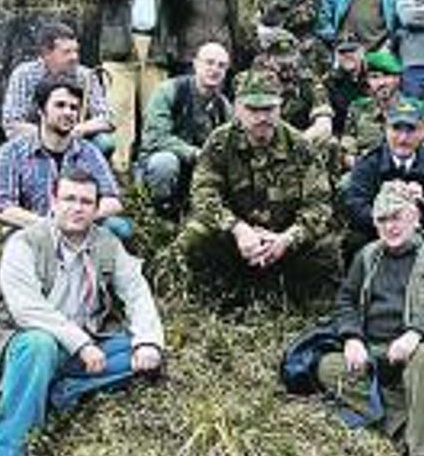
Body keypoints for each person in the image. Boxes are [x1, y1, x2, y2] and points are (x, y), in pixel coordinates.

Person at [0, 168, 164, 456]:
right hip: (26, 343)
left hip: (86, 345)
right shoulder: (25, 243)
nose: (77, 208)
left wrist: (149, 342)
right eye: (69, 199)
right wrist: (80, 342)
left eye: (85, 202)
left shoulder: (107, 244)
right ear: (53, 201)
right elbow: (26, 309)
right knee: (40, 345)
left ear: (96, 209)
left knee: (144, 355)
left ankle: (57, 393)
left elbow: (136, 292)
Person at [317, 181, 424, 456]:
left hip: (423, 345)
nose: (390, 226)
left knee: (423, 358)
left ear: (415, 217)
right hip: (376, 347)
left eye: (397, 217)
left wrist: (415, 333)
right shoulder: (368, 255)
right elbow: (346, 299)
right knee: (328, 367)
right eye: (382, 220)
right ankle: (406, 427)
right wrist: (352, 337)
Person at [178, 70, 335, 306]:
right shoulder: (220, 142)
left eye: (269, 109)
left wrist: (288, 238)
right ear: (237, 108)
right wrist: (238, 229)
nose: (262, 117)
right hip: (236, 239)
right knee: (195, 236)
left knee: (327, 245)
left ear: (280, 107)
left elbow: (319, 204)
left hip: (284, 237)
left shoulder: (300, 146)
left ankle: (299, 300)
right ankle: (218, 299)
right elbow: (203, 195)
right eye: (253, 109)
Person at [93, 0, 187, 173]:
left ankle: (152, 172)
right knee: (118, 113)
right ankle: (118, 173)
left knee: (155, 113)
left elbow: (184, 2)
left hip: (155, 46)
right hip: (120, 46)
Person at [0, 75, 125, 233]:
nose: (68, 112)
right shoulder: (12, 152)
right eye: (60, 105)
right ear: (41, 110)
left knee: (119, 228)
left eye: (74, 108)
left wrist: (78, 219)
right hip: (31, 232)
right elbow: (1, 206)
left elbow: (113, 201)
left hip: (79, 233)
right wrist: (50, 224)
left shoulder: (89, 152)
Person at [343, 98, 424, 254]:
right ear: (385, 129)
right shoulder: (368, 163)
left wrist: (421, 206)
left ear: (423, 132)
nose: (403, 139)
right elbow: (354, 208)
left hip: (422, 240)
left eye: (411, 130)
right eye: (396, 129)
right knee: (353, 242)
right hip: (376, 236)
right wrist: (389, 211)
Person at [138, 41, 233, 216]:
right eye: (209, 62)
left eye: (221, 66)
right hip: (158, 166)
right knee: (165, 163)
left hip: (199, 171)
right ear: (196, 64)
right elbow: (156, 138)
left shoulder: (223, 106)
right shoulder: (169, 91)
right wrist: (196, 154)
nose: (215, 69)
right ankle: (159, 213)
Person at [1, 21, 115, 160]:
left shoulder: (86, 75)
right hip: (34, 141)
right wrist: (50, 136)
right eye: (67, 52)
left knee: (105, 143)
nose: (74, 57)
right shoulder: (24, 75)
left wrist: (80, 129)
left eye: (76, 51)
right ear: (46, 54)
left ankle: (92, 178)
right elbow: (12, 123)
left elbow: (107, 119)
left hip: (77, 142)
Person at [249, 28, 333, 141]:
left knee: (329, 143)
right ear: (267, 58)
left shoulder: (307, 80)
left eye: (290, 58)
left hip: (300, 140)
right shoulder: (252, 81)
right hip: (263, 139)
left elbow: (324, 125)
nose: (287, 65)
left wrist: (298, 144)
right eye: (280, 60)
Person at [339, 49, 407, 168]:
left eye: (387, 76)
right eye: (374, 77)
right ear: (368, 81)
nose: (381, 83)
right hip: (365, 170)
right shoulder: (358, 108)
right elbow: (347, 148)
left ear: (398, 79)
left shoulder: (414, 109)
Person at [325, 36, 369, 137]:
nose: (348, 55)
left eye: (352, 51)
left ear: (362, 53)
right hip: (341, 134)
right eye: (342, 52)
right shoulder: (330, 82)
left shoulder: (373, 78)